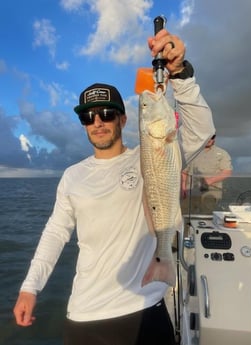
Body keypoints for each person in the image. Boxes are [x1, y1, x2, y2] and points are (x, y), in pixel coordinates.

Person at [13, 28, 215, 345]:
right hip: (85, 316)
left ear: (122, 120)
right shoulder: (72, 176)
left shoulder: (150, 153)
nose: (98, 122)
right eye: (88, 117)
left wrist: (180, 74)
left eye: (107, 113)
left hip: (146, 306)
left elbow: (202, 129)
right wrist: (29, 286)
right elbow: (55, 233)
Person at [181, 134, 232, 214]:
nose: (209, 139)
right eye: (207, 137)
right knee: (184, 215)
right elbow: (184, 171)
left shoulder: (222, 153)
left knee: (206, 217)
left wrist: (209, 181)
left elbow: (227, 172)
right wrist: (183, 187)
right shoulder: (192, 153)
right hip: (191, 191)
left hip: (211, 192)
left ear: (214, 138)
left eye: (212, 137)